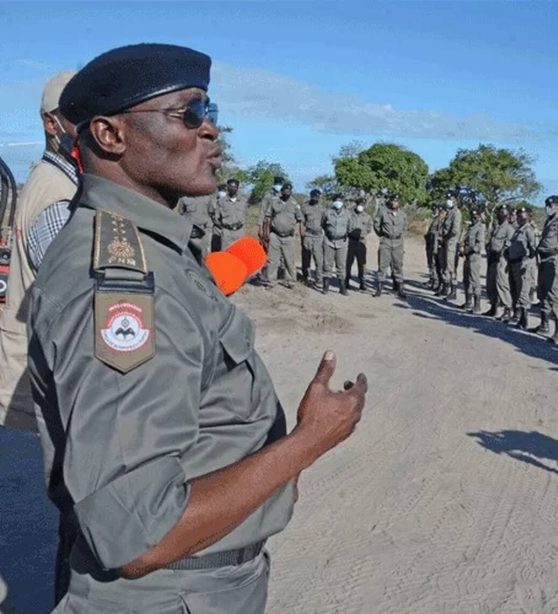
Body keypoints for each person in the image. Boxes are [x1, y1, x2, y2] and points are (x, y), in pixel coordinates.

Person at [30, 43, 367, 612]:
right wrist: (307, 442)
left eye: (210, 112)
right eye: (188, 114)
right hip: (169, 594)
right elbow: (139, 533)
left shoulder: (156, 249)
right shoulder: (122, 283)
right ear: (111, 135)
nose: (212, 131)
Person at [0, 71, 78, 430]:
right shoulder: (57, 193)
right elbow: (77, 301)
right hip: (33, 393)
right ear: (52, 123)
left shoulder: (57, 180)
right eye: (78, 113)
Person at [530, 196, 558, 343]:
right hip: (544, 260)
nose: (548, 207)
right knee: (543, 292)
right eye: (547, 205)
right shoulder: (549, 221)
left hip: (554, 260)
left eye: (551, 205)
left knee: (554, 294)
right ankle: (544, 324)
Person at [262, 182, 303, 289]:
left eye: (289, 190)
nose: (287, 192)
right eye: (285, 190)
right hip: (275, 235)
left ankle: (290, 281)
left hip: (288, 237)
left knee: (289, 260)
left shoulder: (294, 204)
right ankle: (271, 281)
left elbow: (300, 219)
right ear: (282, 191)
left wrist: (297, 231)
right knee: (272, 260)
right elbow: (268, 217)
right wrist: (266, 233)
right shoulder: (274, 201)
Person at [507, 206, 537, 329]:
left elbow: (533, 248)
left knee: (523, 293)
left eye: (522, 217)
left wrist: (528, 262)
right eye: (519, 216)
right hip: (514, 264)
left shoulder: (528, 230)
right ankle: (517, 315)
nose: (520, 218)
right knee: (515, 291)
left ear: (528, 217)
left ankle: (524, 320)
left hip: (523, 264)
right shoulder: (517, 230)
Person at [485, 205, 515, 320]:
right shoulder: (497, 227)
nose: (498, 215)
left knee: (502, 284)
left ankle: (507, 308)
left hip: (502, 259)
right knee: (491, 283)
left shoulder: (509, 228)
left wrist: (502, 253)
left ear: (506, 215)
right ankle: (493, 306)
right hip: (492, 257)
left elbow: (509, 244)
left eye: (501, 213)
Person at [374, 193, 407, 298]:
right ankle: (379, 288)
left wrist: (400, 237)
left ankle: (400, 288)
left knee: (398, 265)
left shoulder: (402, 214)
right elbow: (376, 224)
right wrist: (382, 234)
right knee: (383, 265)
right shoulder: (383, 212)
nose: (394, 203)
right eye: (393, 201)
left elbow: (405, 227)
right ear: (389, 201)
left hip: (398, 243)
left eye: (396, 201)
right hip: (386, 241)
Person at [322, 195, 354, 295]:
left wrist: (344, 234)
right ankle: (325, 286)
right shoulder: (327, 213)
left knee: (341, 265)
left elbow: (350, 227)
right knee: (327, 264)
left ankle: (342, 287)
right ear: (333, 202)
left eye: (340, 201)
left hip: (342, 242)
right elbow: (322, 224)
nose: (338, 202)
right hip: (329, 241)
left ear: (343, 202)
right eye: (336, 200)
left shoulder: (347, 214)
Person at [460, 204, 486, 313]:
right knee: (466, 280)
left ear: (479, 216)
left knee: (474, 280)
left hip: (474, 257)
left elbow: (479, 245)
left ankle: (477, 304)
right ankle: (468, 302)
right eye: (472, 216)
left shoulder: (480, 228)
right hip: (467, 256)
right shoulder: (471, 227)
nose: (473, 218)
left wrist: (470, 249)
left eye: (476, 216)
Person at [177, 190, 216, 259]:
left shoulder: (207, 198)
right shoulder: (184, 198)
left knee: (204, 254)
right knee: (188, 252)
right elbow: (180, 212)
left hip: (204, 230)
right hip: (189, 230)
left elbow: (211, 212)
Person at [438, 190, 462, 300]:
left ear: (456, 201)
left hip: (452, 243)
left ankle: (453, 291)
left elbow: (455, 230)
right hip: (446, 242)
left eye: (451, 199)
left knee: (450, 267)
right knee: (444, 266)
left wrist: (446, 237)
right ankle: (445, 288)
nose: (448, 201)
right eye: (448, 199)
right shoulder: (449, 212)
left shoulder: (456, 213)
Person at [346, 198, 373, 291]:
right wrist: (351, 233)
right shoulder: (349, 214)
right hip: (350, 241)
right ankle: (346, 280)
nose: (360, 206)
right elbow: (346, 225)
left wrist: (362, 234)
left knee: (362, 263)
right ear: (356, 204)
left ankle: (362, 281)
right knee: (348, 262)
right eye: (359, 204)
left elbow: (369, 228)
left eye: (362, 204)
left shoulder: (367, 216)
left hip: (361, 242)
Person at [301, 188, 326, 287]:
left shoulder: (323, 208)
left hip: (318, 236)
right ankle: (306, 277)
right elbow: (301, 222)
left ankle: (319, 279)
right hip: (308, 235)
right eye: (314, 196)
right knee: (306, 257)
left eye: (318, 196)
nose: (316, 198)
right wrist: (302, 234)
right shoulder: (305, 207)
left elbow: (324, 222)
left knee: (319, 259)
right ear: (311, 196)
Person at [215, 178, 248, 249]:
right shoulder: (221, 202)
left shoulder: (243, 201)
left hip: (239, 232)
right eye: (231, 186)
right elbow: (216, 218)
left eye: (234, 187)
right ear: (227, 187)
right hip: (227, 232)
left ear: (237, 188)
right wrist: (223, 228)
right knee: (226, 255)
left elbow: (245, 214)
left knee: (240, 253)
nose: (232, 188)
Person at [424, 204, 442, 289]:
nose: (434, 212)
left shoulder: (439, 221)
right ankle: (432, 279)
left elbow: (437, 234)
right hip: (430, 244)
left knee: (434, 263)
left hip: (434, 245)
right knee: (430, 263)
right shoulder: (435, 220)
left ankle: (436, 281)